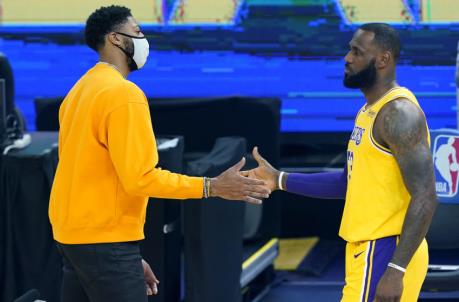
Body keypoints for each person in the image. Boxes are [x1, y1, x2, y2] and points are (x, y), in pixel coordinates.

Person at [48, 5, 270, 302]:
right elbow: (141, 179)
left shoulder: (79, 91)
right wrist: (211, 186)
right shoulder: (123, 94)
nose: (143, 40)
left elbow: (87, 171)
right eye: (138, 32)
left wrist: (127, 256)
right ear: (115, 38)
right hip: (104, 242)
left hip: (74, 239)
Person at [242, 23, 437, 302]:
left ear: (383, 59)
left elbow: (426, 196)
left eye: (357, 52)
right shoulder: (370, 110)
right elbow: (347, 182)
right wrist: (280, 179)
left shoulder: (399, 113)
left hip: (383, 251)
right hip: (369, 250)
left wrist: (395, 269)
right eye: (349, 50)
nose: (347, 58)